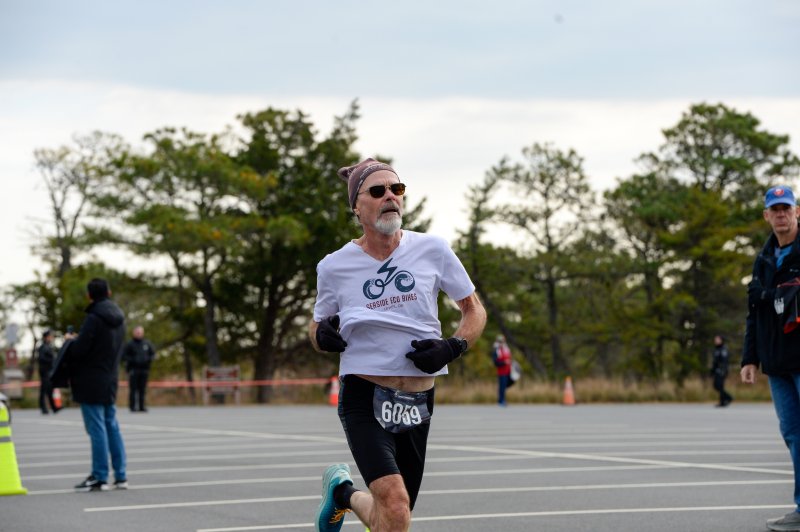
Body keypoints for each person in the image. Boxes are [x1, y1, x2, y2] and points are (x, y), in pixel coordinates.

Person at [309, 158, 487, 532]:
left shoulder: (433, 249)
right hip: (364, 395)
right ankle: (345, 494)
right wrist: (321, 336)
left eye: (397, 189)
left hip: (418, 402)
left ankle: (342, 494)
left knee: (393, 516)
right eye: (378, 191)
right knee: (395, 501)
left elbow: (474, 310)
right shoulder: (334, 266)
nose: (390, 196)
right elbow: (317, 325)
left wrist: (452, 346)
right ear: (357, 207)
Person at [742, 185, 800, 531]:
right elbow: (754, 313)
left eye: (786, 208)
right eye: (774, 210)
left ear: (797, 212)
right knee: (793, 435)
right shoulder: (764, 259)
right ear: (766, 216)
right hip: (777, 363)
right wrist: (749, 358)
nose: (781, 214)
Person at [68, 278, 128, 492]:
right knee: (111, 425)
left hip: (92, 380)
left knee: (97, 428)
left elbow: (80, 350)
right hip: (111, 377)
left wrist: (71, 341)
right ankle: (121, 475)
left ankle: (99, 475)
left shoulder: (94, 318)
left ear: (89, 296)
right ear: (109, 292)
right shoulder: (120, 318)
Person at [122, 326, 156, 412]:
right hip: (133, 369)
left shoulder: (147, 343)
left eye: (140, 332)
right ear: (134, 333)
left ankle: (142, 406)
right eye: (137, 332)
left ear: (143, 333)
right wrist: (133, 360)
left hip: (144, 369)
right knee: (133, 389)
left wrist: (148, 360)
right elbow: (124, 356)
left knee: (142, 389)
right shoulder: (130, 344)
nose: (138, 333)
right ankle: (132, 406)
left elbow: (153, 354)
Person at [36, 329, 60, 414]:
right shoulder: (43, 347)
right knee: (44, 390)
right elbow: (41, 358)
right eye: (50, 336)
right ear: (46, 337)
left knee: (49, 389)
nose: (52, 338)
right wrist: (52, 360)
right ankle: (44, 408)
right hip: (45, 371)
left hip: (48, 371)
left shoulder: (48, 346)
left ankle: (53, 407)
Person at [710, 335, 732, 407]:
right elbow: (715, 362)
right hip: (717, 370)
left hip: (721, 371)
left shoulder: (723, 349)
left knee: (720, 386)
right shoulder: (716, 349)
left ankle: (726, 399)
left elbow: (725, 361)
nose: (716, 341)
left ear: (721, 340)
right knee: (717, 386)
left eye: (717, 339)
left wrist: (723, 371)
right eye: (715, 339)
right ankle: (725, 399)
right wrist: (712, 371)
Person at [491, 334, 512, 406]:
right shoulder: (496, 350)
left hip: (508, 371)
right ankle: (501, 400)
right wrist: (504, 362)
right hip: (501, 371)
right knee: (502, 386)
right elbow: (495, 362)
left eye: (502, 341)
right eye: (500, 341)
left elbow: (509, 358)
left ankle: (502, 400)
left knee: (505, 385)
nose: (501, 342)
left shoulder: (506, 348)